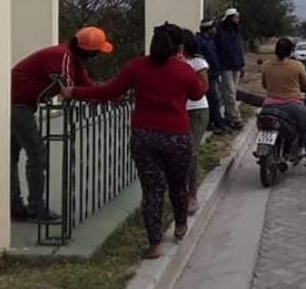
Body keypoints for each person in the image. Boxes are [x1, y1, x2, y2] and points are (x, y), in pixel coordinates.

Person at [62, 24, 206, 260]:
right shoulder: (183, 70)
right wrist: (194, 68)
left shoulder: (137, 66)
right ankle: (180, 226)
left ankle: (154, 244)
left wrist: (73, 92)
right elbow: (198, 93)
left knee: (152, 190)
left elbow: (108, 91)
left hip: (144, 137)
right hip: (177, 137)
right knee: (178, 186)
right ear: (178, 47)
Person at [10, 27, 113, 221]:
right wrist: (97, 94)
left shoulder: (72, 59)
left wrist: (109, 96)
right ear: (88, 52)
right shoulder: (63, 56)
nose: (97, 56)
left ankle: (14, 205)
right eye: (97, 52)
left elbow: (86, 85)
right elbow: (68, 88)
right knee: (36, 153)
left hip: (20, 102)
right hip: (16, 104)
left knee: (11, 154)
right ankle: (35, 208)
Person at [261, 38, 306, 174]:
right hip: (292, 105)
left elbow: (264, 85)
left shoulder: (266, 65)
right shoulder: (297, 66)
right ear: (291, 51)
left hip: (269, 106)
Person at [182, 30, 209, 215]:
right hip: (179, 110)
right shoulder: (173, 61)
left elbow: (203, 87)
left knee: (191, 151)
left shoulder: (197, 62)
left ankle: (192, 194)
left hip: (197, 110)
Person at [215, 8, 245, 130]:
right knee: (230, 92)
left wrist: (242, 65)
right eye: (236, 17)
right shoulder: (220, 31)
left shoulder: (236, 32)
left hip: (236, 66)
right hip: (225, 66)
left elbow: (239, 49)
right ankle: (235, 117)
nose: (238, 19)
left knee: (231, 92)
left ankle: (228, 114)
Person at [196, 19, 226, 134]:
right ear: (208, 29)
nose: (216, 30)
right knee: (213, 99)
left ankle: (215, 121)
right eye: (214, 28)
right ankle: (216, 122)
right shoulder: (200, 42)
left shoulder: (211, 41)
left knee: (215, 98)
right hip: (207, 75)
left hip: (214, 74)